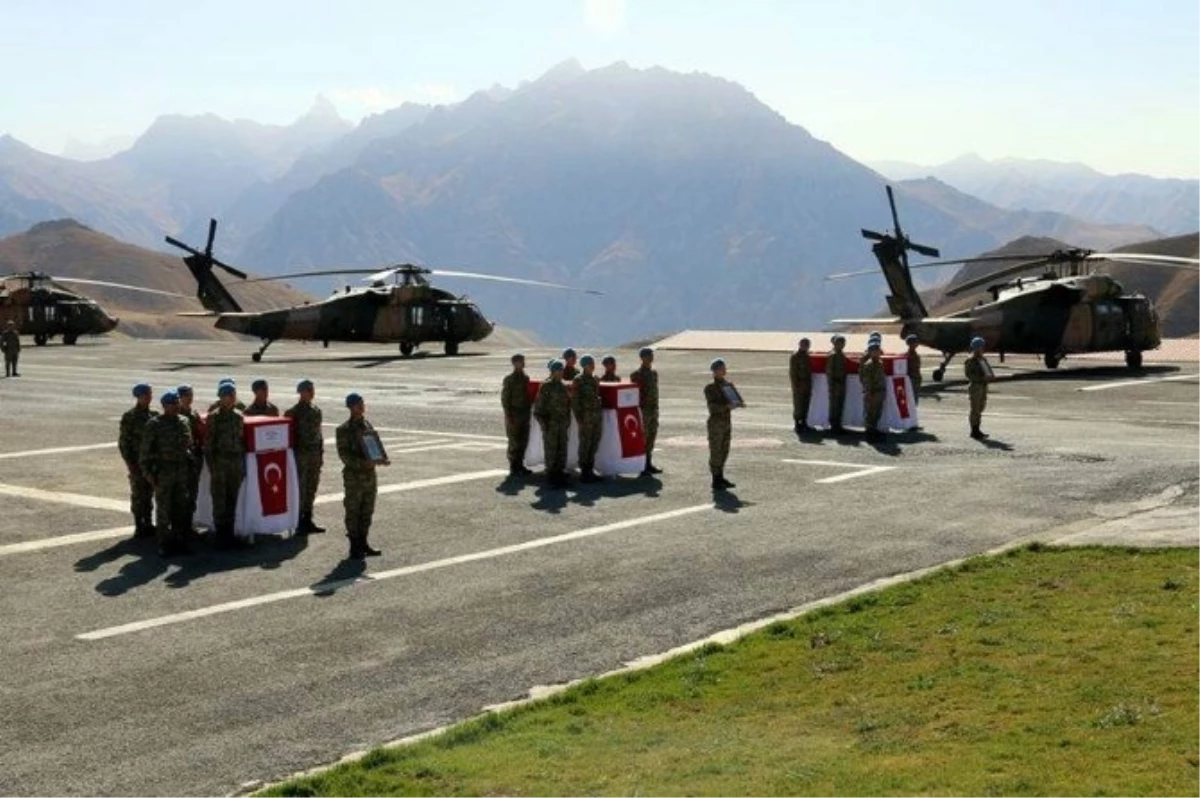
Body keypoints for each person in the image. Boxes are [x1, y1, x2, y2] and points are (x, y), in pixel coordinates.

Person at [139, 391, 195, 556]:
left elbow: (189, 446)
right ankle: (164, 543)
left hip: (181, 472)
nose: (176, 406)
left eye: (177, 403)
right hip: (163, 473)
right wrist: (150, 476)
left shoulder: (184, 421)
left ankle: (180, 541)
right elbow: (145, 454)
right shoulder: (154, 424)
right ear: (164, 406)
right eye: (172, 403)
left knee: (180, 508)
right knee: (164, 510)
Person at [336, 393, 388, 558]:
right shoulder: (343, 430)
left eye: (362, 403)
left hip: (369, 476)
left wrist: (381, 458)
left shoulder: (367, 425)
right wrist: (364, 464)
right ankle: (354, 546)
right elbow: (344, 456)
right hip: (354, 478)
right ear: (350, 407)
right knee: (353, 511)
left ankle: (364, 542)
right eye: (358, 404)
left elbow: (374, 447)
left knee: (367, 510)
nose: (361, 406)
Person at [205, 381, 247, 549]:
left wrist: (242, 464)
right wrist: (212, 467)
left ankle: (229, 534)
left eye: (231, 395)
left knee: (232, 499)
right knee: (219, 500)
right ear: (220, 398)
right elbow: (208, 445)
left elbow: (241, 441)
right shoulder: (214, 417)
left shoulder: (238, 416)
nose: (229, 399)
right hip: (220, 464)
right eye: (225, 396)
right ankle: (220, 535)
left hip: (235, 463)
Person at [285, 378, 326, 534]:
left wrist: (320, 454)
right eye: (308, 390)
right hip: (300, 454)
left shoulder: (316, 411)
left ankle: (308, 518)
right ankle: (298, 519)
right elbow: (288, 437)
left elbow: (319, 434)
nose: (311, 393)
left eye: (311, 390)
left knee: (312, 487)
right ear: (301, 393)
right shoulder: (292, 413)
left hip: (314, 454)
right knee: (300, 489)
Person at [119, 383, 159, 539]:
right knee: (138, 495)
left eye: (150, 394)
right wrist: (130, 463)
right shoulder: (130, 417)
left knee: (149, 493)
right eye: (146, 395)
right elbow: (124, 443)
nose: (149, 397)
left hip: (151, 462)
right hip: (137, 462)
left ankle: (148, 524)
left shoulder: (154, 415)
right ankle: (139, 525)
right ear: (138, 396)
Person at [533, 359, 572, 488]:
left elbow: (567, 405)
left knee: (562, 449)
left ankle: (559, 473)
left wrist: (567, 421)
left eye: (561, 370)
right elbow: (538, 409)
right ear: (553, 371)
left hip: (562, 424)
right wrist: (545, 425)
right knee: (551, 450)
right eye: (558, 370)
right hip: (551, 425)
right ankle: (551, 475)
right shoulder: (546, 386)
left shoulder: (564, 386)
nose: (561, 372)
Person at [704, 358, 739, 490]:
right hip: (716, 423)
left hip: (726, 422)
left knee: (724, 450)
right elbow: (712, 407)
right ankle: (715, 478)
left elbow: (734, 400)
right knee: (716, 451)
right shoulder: (710, 388)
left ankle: (721, 476)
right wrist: (727, 406)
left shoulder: (727, 385)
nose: (724, 370)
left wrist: (737, 403)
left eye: (724, 368)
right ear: (715, 371)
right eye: (721, 368)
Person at [176, 384, 205, 531]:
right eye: (187, 395)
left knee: (192, 493)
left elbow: (202, 433)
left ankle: (188, 525)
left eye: (191, 395)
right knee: (181, 494)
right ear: (179, 398)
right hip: (180, 462)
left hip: (194, 460)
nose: (190, 398)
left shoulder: (193, 415)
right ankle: (179, 527)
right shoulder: (175, 415)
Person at [501, 354, 534, 477]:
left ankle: (520, 464)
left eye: (523, 361)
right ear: (514, 363)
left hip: (524, 413)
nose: (523, 363)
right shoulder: (509, 379)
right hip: (514, 414)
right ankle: (513, 465)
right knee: (514, 441)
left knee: (523, 440)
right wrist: (508, 415)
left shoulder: (526, 378)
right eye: (520, 361)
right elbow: (505, 399)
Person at [630, 346, 662, 476]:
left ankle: (648, 462)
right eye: (648, 355)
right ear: (642, 358)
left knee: (651, 437)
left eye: (651, 355)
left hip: (653, 409)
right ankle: (642, 464)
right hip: (643, 410)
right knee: (643, 437)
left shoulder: (654, 374)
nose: (651, 358)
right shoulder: (636, 375)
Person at [573, 354, 603, 483]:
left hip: (595, 417)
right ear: (585, 366)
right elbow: (575, 401)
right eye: (590, 364)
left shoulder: (595, 379)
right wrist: (579, 418)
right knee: (585, 444)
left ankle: (590, 469)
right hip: (585, 417)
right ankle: (584, 471)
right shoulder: (578, 380)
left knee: (594, 443)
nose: (593, 366)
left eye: (593, 364)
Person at [964, 336, 994, 439]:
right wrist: (981, 378)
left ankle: (977, 428)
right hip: (976, 387)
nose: (982, 349)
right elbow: (969, 374)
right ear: (976, 348)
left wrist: (990, 376)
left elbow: (988, 370)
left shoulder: (983, 359)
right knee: (975, 409)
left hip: (983, 386)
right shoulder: (970, 361)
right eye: (981, 347)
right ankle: (974, 430)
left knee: (981, 407)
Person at [860, 343, 888, 441]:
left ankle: (874, 429)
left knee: (877, 412)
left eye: (878, 351)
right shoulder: (868, 365)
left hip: (880, 391)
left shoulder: (880, 363)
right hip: (872, 392)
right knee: (870, 413)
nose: (877, 353)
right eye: (874, 351)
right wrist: (868, 393)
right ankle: (869, 432)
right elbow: (866, 380)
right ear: (870, 352)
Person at [789, 337, 813, 433]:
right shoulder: (795, 356)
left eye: (807, 345)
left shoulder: (807, 356)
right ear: (800, 345)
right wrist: (795, 386)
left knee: (805, 404)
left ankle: (804, 422)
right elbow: (793, 373)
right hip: (799, 384)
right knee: (798, 405)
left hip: (807, 383)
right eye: (804, 344)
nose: (806, 346)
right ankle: (797, 424)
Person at [827, 335, 847, 434]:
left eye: (843, 342)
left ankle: (837, 425)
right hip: (835, 384)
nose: (842, 344)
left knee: (839, 405)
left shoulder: (841, 354)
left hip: (841, 383)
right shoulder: (833, 355)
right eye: (840, 342)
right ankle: (833, 425)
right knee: (834, 405)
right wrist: (832, 385)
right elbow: (829, 372)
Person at [905, 334, 922, 405]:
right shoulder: (908, 356)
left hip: (916, 379)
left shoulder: (915, 355)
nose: (917, 344)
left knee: (914, 400)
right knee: (912, 400)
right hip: (912, 379)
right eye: (915, 342)